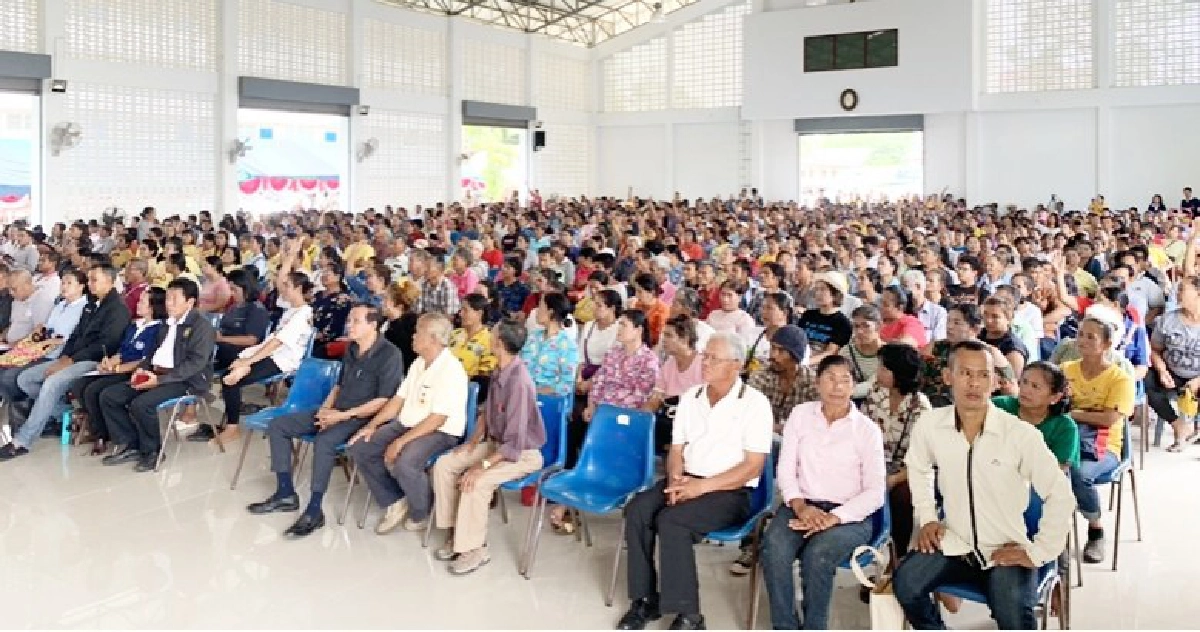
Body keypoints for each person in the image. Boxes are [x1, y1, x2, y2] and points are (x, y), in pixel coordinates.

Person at [892, 340, 1075, 631]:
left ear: (995, 382)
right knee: (905, 584)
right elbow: (918, 467)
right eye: (965, 373)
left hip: (1004, 548)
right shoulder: (930, 425)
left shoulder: (1019, 435)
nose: (974, 383)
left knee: (1013, 616)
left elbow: (1061, 495)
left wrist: (1038, 552)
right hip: (954, 542)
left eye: (983, 375)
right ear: (947, 377)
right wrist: (927, 518)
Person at [616, 333, 772, 632]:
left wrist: (699, 488)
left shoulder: (754, 404)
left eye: (715, 358)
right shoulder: (692, 397)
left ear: (736, 366)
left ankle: (690, 615)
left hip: (730, 491)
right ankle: (644, 600)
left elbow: (753, 467)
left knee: (672, 521)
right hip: (687, 478)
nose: (706, 363)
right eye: (706, 356)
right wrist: (676, 480)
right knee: (637, 509)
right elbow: (677, 449)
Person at [246, 304, 403, 537]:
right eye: (350, 320)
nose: (349, 325)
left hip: (362, 418)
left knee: (325, 442)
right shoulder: (352, 349)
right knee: (278, 426)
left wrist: (341, 416)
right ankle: (286, 492)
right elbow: (339, 385)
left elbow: (383, 400)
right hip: (336, 411)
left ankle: (314, 509)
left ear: (373, 325)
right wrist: (325, 410)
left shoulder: (390, 354)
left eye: (356, 321)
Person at [762, 355, 886, 630]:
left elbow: (876, 492)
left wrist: (834, 518)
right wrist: (801, 507)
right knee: (774, 548)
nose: (837, 386)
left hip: (849, 516)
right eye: (830, 378)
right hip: (801, 505)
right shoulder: (801, 415)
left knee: (818, 555)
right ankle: (784, 625)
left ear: (854, 386)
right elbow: (785, 471)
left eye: (845, 380)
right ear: (817, 383)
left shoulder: (867, 430)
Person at [428, 317, 546, 574]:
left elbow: (514, 443)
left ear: (500, 343)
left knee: (476, 482)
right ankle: (456, 534)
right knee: (445, 464)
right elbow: (487, 412)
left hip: (521, 453)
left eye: (492, 335)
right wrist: (471, 444)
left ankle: (475, 549)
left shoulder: (519, 382)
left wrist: (481, 466)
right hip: (496, 445)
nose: (488, 338)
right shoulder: (499, 370)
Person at [345, 313, 469, 535]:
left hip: (439, 431)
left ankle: (421, 511)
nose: (413, 336)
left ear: (433, 339)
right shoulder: (419, 363)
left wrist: (400, 442)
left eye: (418, 332)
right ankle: (395, 499)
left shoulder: (451, 370)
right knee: (361, 446)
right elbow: (397, 401)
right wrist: (372, 425)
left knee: (406, 462)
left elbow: (437, 419)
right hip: (408, 423)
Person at [0, 266, 130, 458]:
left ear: (110, 282)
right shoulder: (92, 304)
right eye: (90, 279)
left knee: (51, 384)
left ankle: (22, 440)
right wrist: (65, 357)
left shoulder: (117, 309)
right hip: (73, 356)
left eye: (95, 280)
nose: (90, 284)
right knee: (25, 379)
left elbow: (106, 344)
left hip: (95, 361)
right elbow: (76, 335)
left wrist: (71, 359)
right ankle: (62, 411)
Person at [95, 279, 216, 472]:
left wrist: (159, 380)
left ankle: (153, 451)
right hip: (156, 373)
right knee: (110, 396)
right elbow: (152, 354)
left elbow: (195, 363)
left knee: (142, 404)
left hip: (185, 380)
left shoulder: (201, 327)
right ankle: (132, 444)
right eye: (168, 298)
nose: (168, 303)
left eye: (174, 299)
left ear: (190, 302)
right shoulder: (166, 324)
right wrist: (142, 370)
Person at [1062, 317, 1135, 563]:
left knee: (1078, 473)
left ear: (1106, 344)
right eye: (1080, 334)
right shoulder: (1066, 370)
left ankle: (1095, 529)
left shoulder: (1119, 379)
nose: (1082, 341)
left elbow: (1110, 419)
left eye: (1090, 337)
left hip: (1104, 443)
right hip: (1066, 435)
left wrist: (1073, 414)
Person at [215, 271, 315, 445]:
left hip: (283, 360)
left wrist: (249, 360)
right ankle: (240, 371)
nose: (283, 290)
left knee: (229, 380)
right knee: (232, 371)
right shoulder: (291, 307)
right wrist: (290, 255)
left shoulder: (302, 315)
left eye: (288, 287)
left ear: (298, 289)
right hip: (269, 353)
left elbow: (277, 342)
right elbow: (280, 281)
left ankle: (232, 428)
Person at [72, 287, 165, 456]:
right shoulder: (135, 325)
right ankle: (101, 429)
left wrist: (117, 369)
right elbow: (123, 352)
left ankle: (115, 436)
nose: (138, 303)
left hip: (136, 372)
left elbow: (145, 360)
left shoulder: (158, 329)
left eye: (143, 301)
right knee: (79, 385)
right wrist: (109, 362)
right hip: (119, 368)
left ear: (153, 307)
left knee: (97, 391)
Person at [858, 344, 931, 560]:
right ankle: (867, 553)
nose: (877, 372)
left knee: (902, 495)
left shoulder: (920, 408)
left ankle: (897, 558)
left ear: (898, 374)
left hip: (905, 471)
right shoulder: (875, 394)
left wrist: (893, 479)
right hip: (875, 464)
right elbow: (860, 434)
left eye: (883, 368)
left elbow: (923, 461)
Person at [1146, 274, 1200, 452]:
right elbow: (1154, 349)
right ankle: (1178, 426)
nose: (1177, 293)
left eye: (1182, 289)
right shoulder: (1168, 320)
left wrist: (1198, 381)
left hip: (1197, 376)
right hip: (1172, 373)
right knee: (1146, 381)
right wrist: (1161, 369)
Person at [519, 292, 579, 397]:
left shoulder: (567, 345)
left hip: (547, 400)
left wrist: (536, 392)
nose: (536, 310)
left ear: (550, 312)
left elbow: (566, 385)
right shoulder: (533, 337)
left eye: (540, 307)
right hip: (523, 395)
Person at [449, 293, 498, 390]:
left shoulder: (489, 340)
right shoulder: (454, 334)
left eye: (465, 310)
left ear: (479, 314)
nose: (460, 314)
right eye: (461, 310)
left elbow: (484, 376)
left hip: (468, 390)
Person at [799, 271, 853, 356]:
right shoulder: (808, 315)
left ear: (835, 294)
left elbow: (831, 352)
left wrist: (806, 362)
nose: (818, 293)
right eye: (817, 289)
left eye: (823, 289)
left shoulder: (842, 323)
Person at [576, 288, 622, 385]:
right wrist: (579, 378)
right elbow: (580, 357)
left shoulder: (620, 329)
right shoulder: (589, 326)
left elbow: (613, 365)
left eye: (599, 305)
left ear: (612, 308)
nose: (594, 308)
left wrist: (589, 384)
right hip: (586, 374)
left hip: (607, 379)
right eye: (594, 304)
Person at [842, 304, 884, 400]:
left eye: (866, 326)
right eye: (856, 326)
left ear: (879, 326)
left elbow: (872, 385)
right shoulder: (847, 351)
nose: (860, 331)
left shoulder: (888, 355)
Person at [381, 278, 421, 373]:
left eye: (386, 299)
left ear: (399, 306)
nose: (382, 302)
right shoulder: (385, 322)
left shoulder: (409, 327)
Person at [706, 281, 757, 346]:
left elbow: (745, 345)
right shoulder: (713, 315)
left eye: (729, 295)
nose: (725, 299)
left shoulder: (744, 319)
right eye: (723, 294)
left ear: (739, 297)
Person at [903, 270, 948, 343]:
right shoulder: (902, 309)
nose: (902, 291)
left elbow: (939, 340)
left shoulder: (938, 312)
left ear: (918, 286)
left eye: (905, 286)